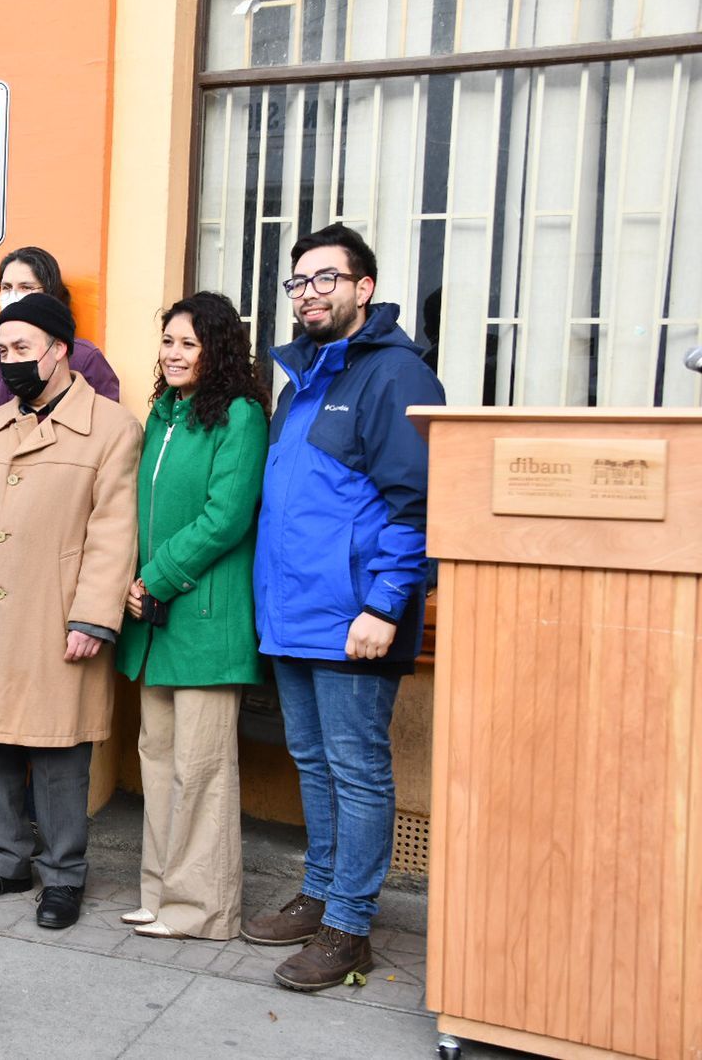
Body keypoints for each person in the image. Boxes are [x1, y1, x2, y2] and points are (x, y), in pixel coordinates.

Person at [242, 223, 445, 991]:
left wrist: (386, 604)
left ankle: (351, 927)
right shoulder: (304, 380)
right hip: (296, 615)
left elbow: (414, 502)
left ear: (364, 288)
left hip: (357, 618)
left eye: (325, 278)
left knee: (357, 771)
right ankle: (322, 892)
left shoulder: (396, 376)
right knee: (315, 763)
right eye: (297, 283)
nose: (308, 294)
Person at [0, 292, 141, 930]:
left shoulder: (111, 427)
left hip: (57, 617)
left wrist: (93, 617)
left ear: (60, 352)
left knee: (58, 751)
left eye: (23, 350)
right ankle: (6, 860)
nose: (9, 361)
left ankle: (64, 874)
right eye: (3, 351)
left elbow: (115, 531)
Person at [115, 292, 268, 940]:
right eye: (168, 342)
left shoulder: (241, 416)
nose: (173, 354)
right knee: (158, 758)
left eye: (188, 344)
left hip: (204, 618)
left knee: (200, 771)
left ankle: (203, 909)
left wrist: (155, 576)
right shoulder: (161, 414)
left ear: (217, 350)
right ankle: (160, 893)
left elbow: (226, 516)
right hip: (155, 622)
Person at [0, 246, 120, 408]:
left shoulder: (84, 357)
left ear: (49, 292)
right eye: (6, 287)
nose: (13, 295)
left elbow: (106, 423)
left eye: (25, 287)